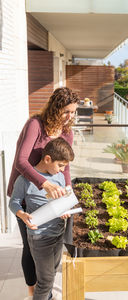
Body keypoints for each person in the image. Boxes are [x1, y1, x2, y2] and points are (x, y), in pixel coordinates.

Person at [7, 87, 79, 298]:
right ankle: (33, 290)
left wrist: (67, 194)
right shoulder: (35, 125)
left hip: (52, 194)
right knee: (30, 245)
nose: (70, 117)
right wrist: (43, 184)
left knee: (52, 240)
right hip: (27, 190)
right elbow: (21, 161)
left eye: (73, 112)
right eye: (66, 111)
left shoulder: (67, 132)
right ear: (55, 108)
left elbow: (65, 167)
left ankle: (43, 285)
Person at [9, 137, 75, 300]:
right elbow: (14, 202)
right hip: (39, 237)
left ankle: (48, 296)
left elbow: (61, 200)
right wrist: (22, 215)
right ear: (47, 159)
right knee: (45, 281)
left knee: (51, 273)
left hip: (58, 234)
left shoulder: (58, 177)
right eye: (60, 165)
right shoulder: (25, 179)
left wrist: (65, 208)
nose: (62, 171)